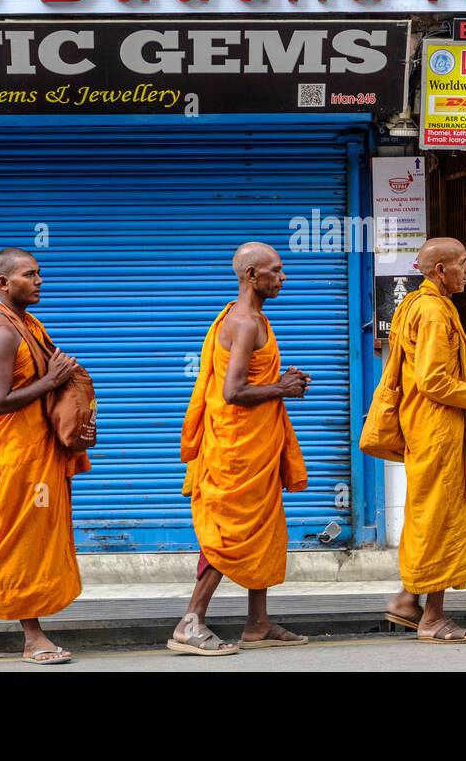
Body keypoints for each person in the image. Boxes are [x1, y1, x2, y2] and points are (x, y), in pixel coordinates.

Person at [0, 247, 91, 665]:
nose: (40, 280)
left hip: (32, 450)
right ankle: (33, 638)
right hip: (14, 455)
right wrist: (52, 380)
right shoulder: (1, 332)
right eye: (30, 275)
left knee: (19, 536)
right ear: (4, 284)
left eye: (40, 273)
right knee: (18, 539)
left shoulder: (28, 324)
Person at [169, 242, 311, 656]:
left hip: (256, 443)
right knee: (229, 533)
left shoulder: (250, 317)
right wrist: (281, 387)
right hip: (237, 449)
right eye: (276, 271)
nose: (283, 278)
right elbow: (232, 392)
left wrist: (280, 383)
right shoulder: (245, 322)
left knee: (262, 527)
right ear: (252, 275)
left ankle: (258, 622)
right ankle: (190, 621)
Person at [381, 237, 466, 644]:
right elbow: (434, 380)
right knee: (443, 520)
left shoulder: (414, 306)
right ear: (440, 270)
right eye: (463, 262)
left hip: (428, 428)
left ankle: (407, 601)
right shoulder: (434, 312)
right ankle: (434, 619)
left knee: (428, 515)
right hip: (441, 431)